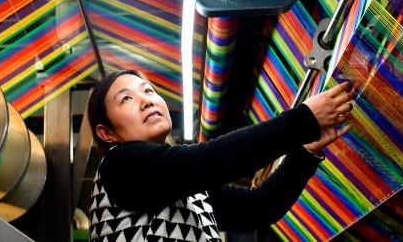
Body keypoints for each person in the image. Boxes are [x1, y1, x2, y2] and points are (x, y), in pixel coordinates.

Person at [86, 69, 354, 241]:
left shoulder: (183, 189)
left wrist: (305, 153)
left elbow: (257, 209)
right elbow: (210, 160)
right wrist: (303, 120)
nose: (146, 100)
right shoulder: (118, 166)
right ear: (107, 133)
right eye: (126, 99)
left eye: (148, 90)